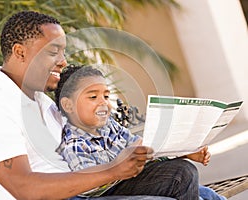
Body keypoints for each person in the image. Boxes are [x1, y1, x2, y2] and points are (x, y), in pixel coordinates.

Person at [0, 10, 192, 200]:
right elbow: (25, 189)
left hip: (82, 194)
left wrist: (173, 149)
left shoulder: (41, 102)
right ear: (20, 52)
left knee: (181, 174)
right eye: (53, 52)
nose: (63, 61)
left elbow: (101, 145)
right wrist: (112, 171)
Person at [54, 65, 226, 200]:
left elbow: (140, 146)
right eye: (93, 97)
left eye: (106, 97)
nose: (103, 103)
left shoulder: (109, 126)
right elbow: (90, 187)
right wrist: (120, 163)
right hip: (111, 193)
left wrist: (184, 151)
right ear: (68, 105)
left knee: (198, 185)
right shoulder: (74, 143)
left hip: (132, 180)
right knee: (183, 176)